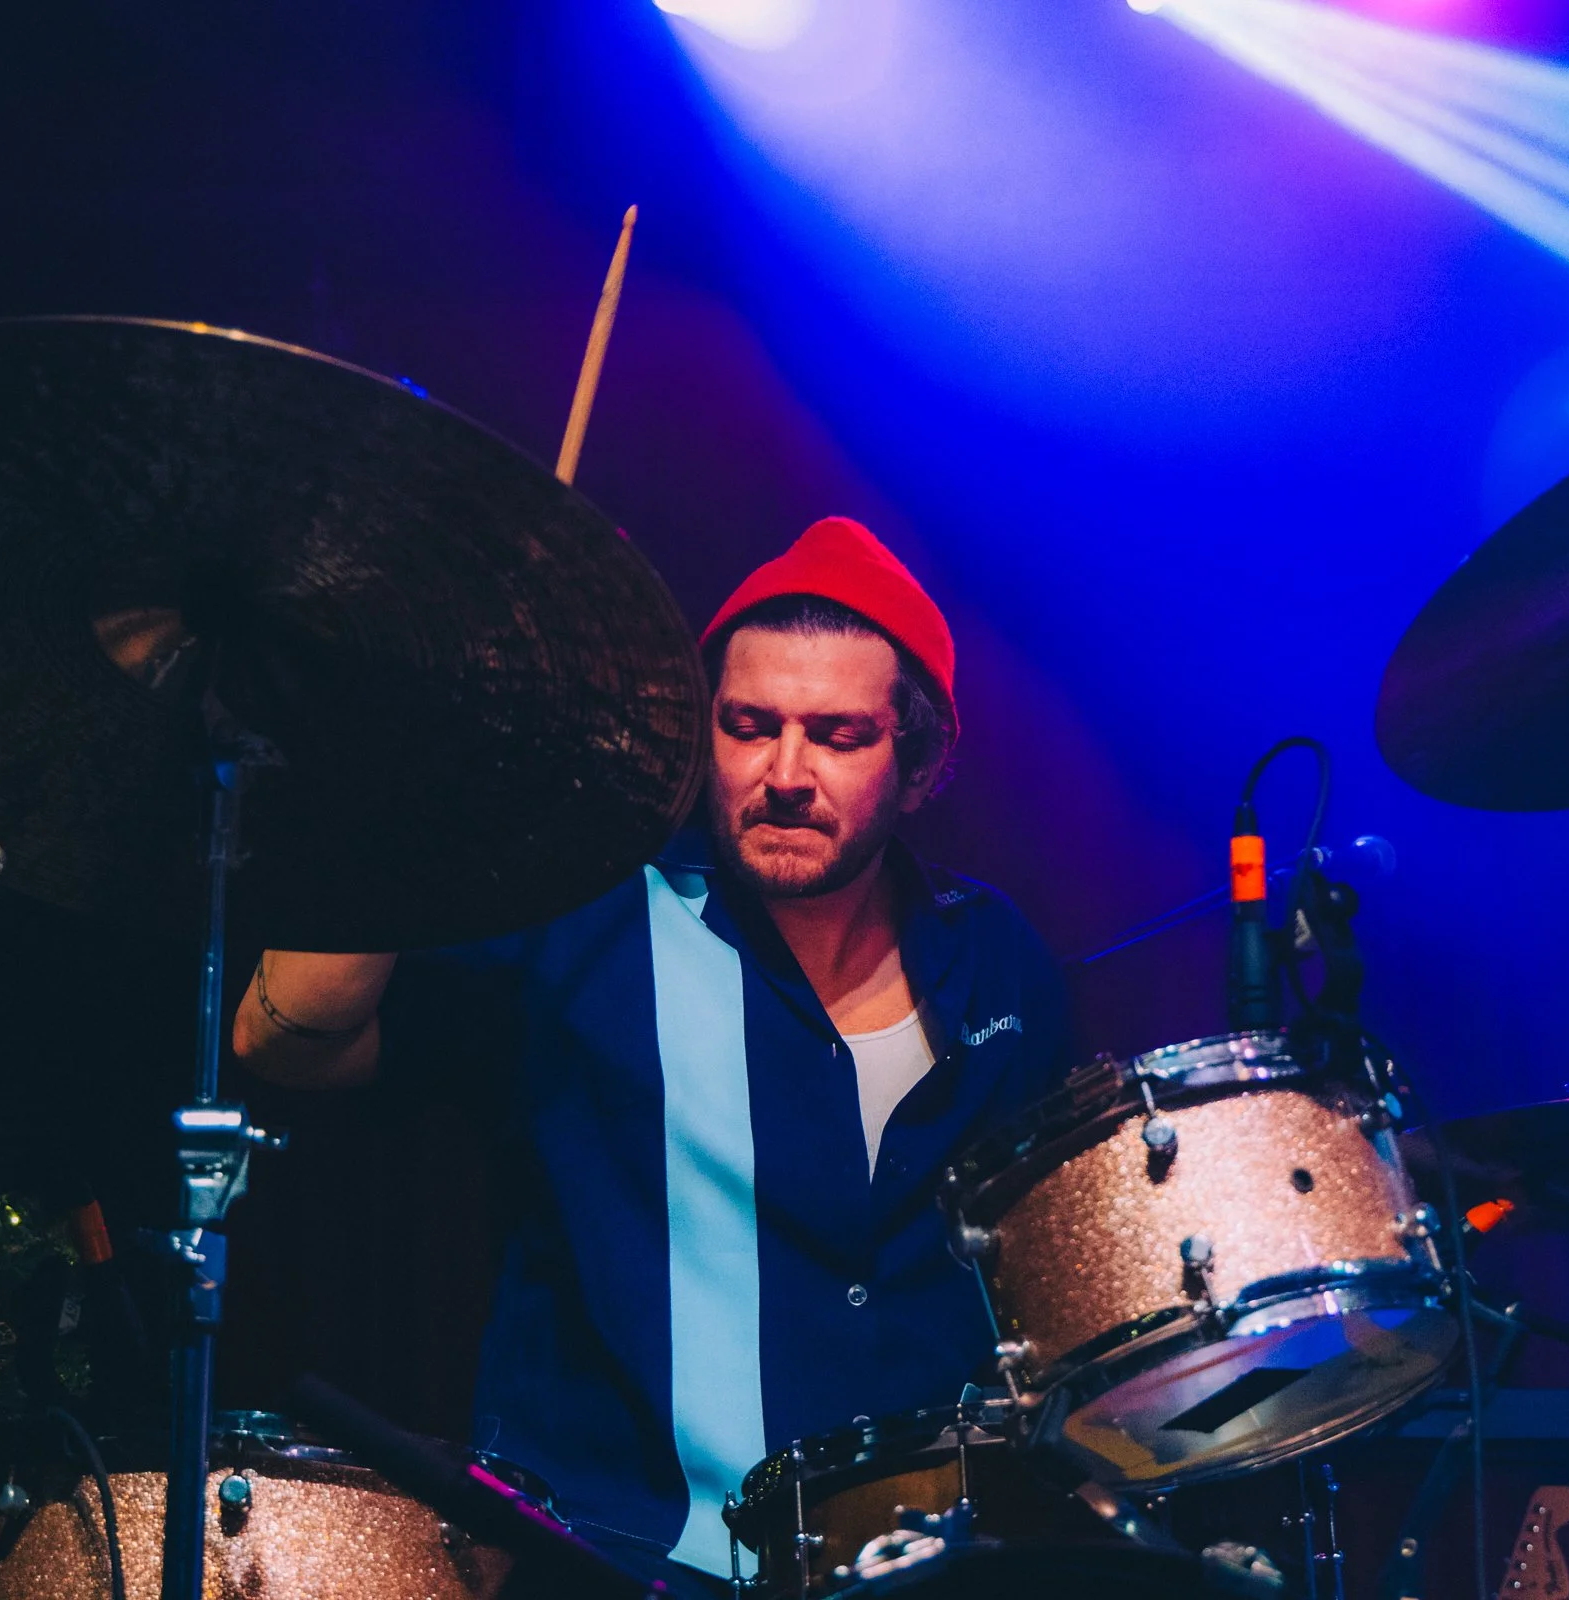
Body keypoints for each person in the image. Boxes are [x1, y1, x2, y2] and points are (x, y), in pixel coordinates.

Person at [233, 516, 1073, 1574]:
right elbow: (285, 1039)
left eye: (837, 735)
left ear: (919, 761)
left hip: (935, 1569)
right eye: (748, 725)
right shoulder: (589, 920)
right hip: (611, 1561)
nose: (785, 771)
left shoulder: (996, 959)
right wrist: (399, 785)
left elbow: (1055, 1294)